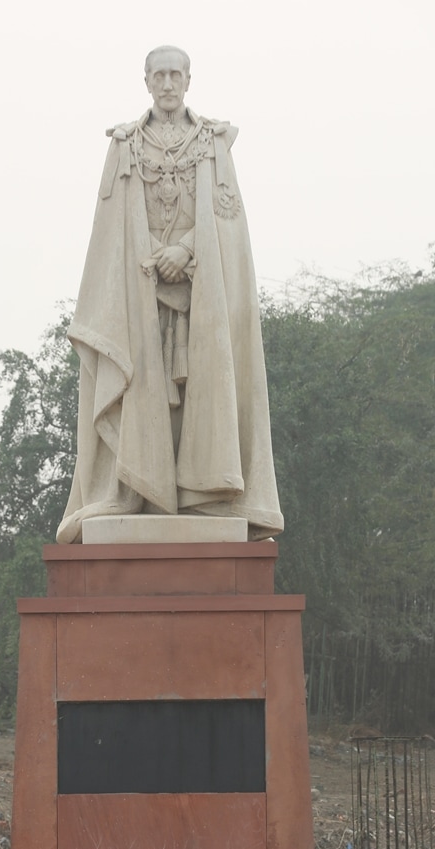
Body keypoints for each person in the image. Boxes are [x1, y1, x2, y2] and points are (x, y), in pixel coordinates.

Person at [56, 45, 283, 544]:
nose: (166, 84)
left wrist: (183, 250)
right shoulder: (124, 144)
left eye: (174, 74)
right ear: (146, 81)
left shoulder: (213, 142)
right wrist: (154, 255)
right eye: (158, 75)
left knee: (203, 388)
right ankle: (139, 489)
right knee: (145, 386)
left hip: (199, 286)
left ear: (188, 80)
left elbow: (226, 225)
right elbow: (110, 229)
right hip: (140, 288)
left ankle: (201, 494)